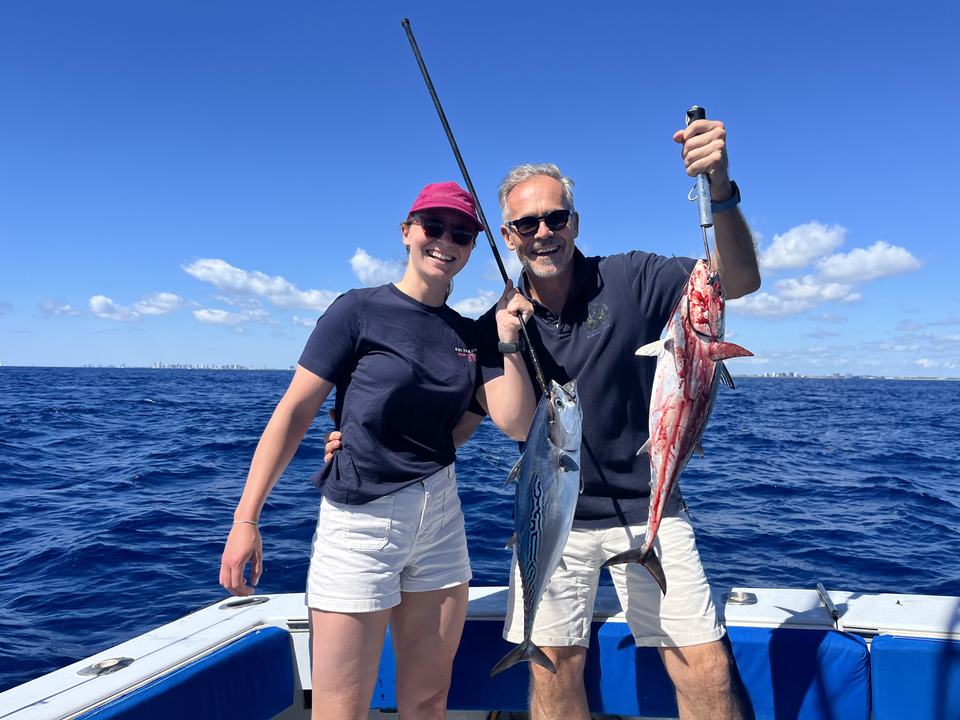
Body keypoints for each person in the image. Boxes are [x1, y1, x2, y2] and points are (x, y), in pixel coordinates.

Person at [325, 121, 761, 719]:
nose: (544, 233)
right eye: (527, 225)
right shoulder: (496, 329)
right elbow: (460, 425)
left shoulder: (633, 278)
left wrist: (720, 189)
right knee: (554, 673)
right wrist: (365, 447)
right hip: (551, 514)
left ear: (575, 222)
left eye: (556, 218)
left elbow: (735, 280)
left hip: (652, 511)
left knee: (708, 671)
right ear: (508, 236)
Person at [219, 180, 537, 720]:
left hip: (440, 521)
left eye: (461, 233)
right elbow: (294, 412)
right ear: (408, 231)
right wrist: (246, 518)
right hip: (359, 524)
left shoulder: (469, 335)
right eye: (433, 226)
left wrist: (507, 339)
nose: (446, 240)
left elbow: (514, 422)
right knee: (341, 708)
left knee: (429, 701)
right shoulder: (357, 311)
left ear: (474, 245)